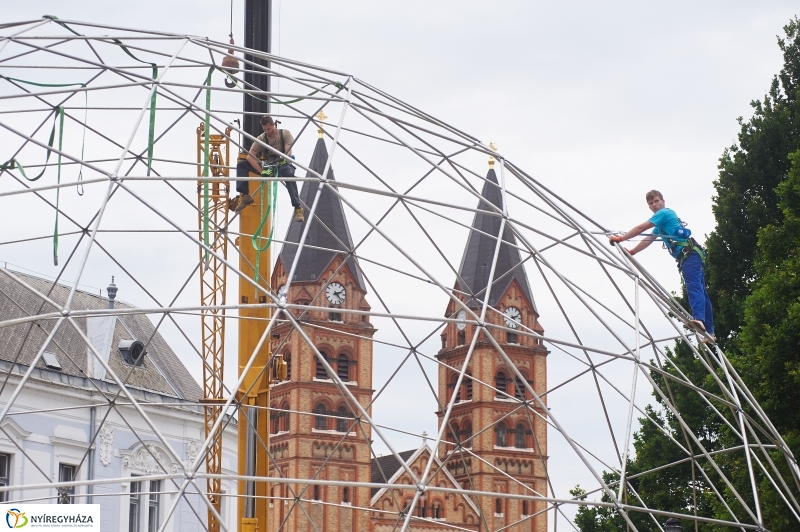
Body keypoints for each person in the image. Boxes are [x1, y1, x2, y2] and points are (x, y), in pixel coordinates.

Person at [609, 190, 715, 343]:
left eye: (656, 201)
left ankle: (699, 319)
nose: (654, 205)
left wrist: (621, 238)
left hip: (690, 255)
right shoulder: (661, 224)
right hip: (691, 255)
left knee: (694, 286)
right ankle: (710, 332)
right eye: (651, 203)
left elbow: (641, 228)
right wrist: (632, 251)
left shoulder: (664, 213)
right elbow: (649, 239)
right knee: (700, 290)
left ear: (663, 202)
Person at [233, 115, 304, 222]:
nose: (267, 131)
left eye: (269, 129)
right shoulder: (262, 138)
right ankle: (245, 196)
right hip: (268, 164)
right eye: (265, 129)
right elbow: (250, 156)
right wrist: (263, 171)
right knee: (241, 165)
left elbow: (288, 152)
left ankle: (297, 207)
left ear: (273, 125)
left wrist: (281, 160)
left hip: (282, 163)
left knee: (289, 175)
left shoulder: (284, 134)